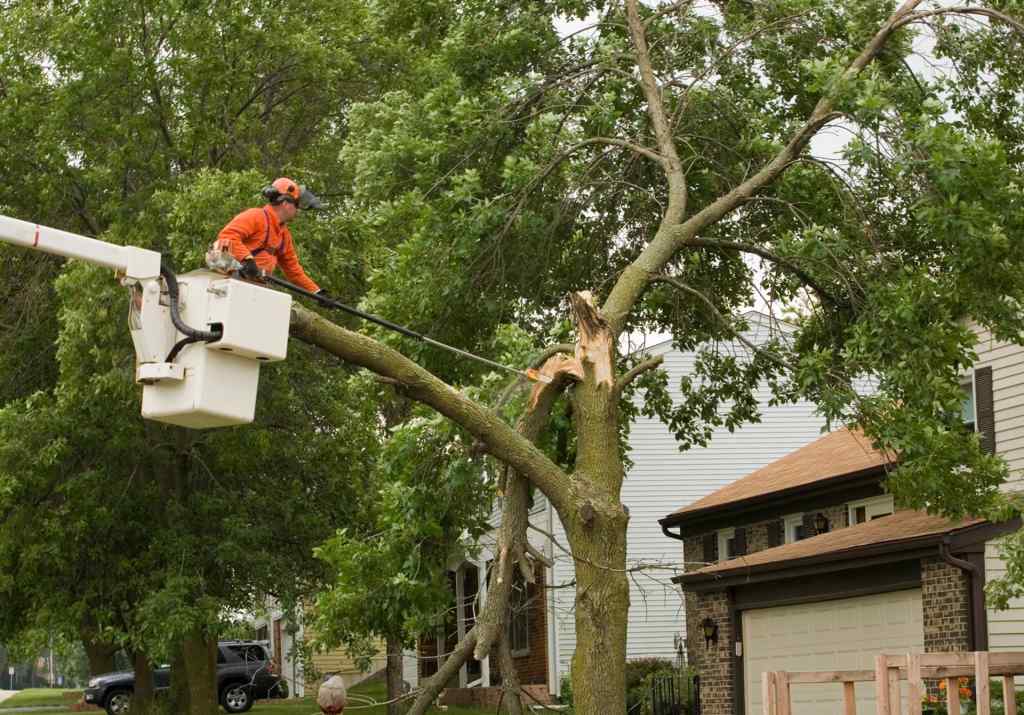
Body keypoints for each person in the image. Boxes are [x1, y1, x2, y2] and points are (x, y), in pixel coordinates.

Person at [215, 177, 326, 295]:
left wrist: (316, 291)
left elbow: (293, 270)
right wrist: (247, 259)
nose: (297, 210)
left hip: (258, 286)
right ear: (285, 203)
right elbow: (226, 236)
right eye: (296, 205)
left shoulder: (284, 235)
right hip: (233, 281)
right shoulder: (256, 216)